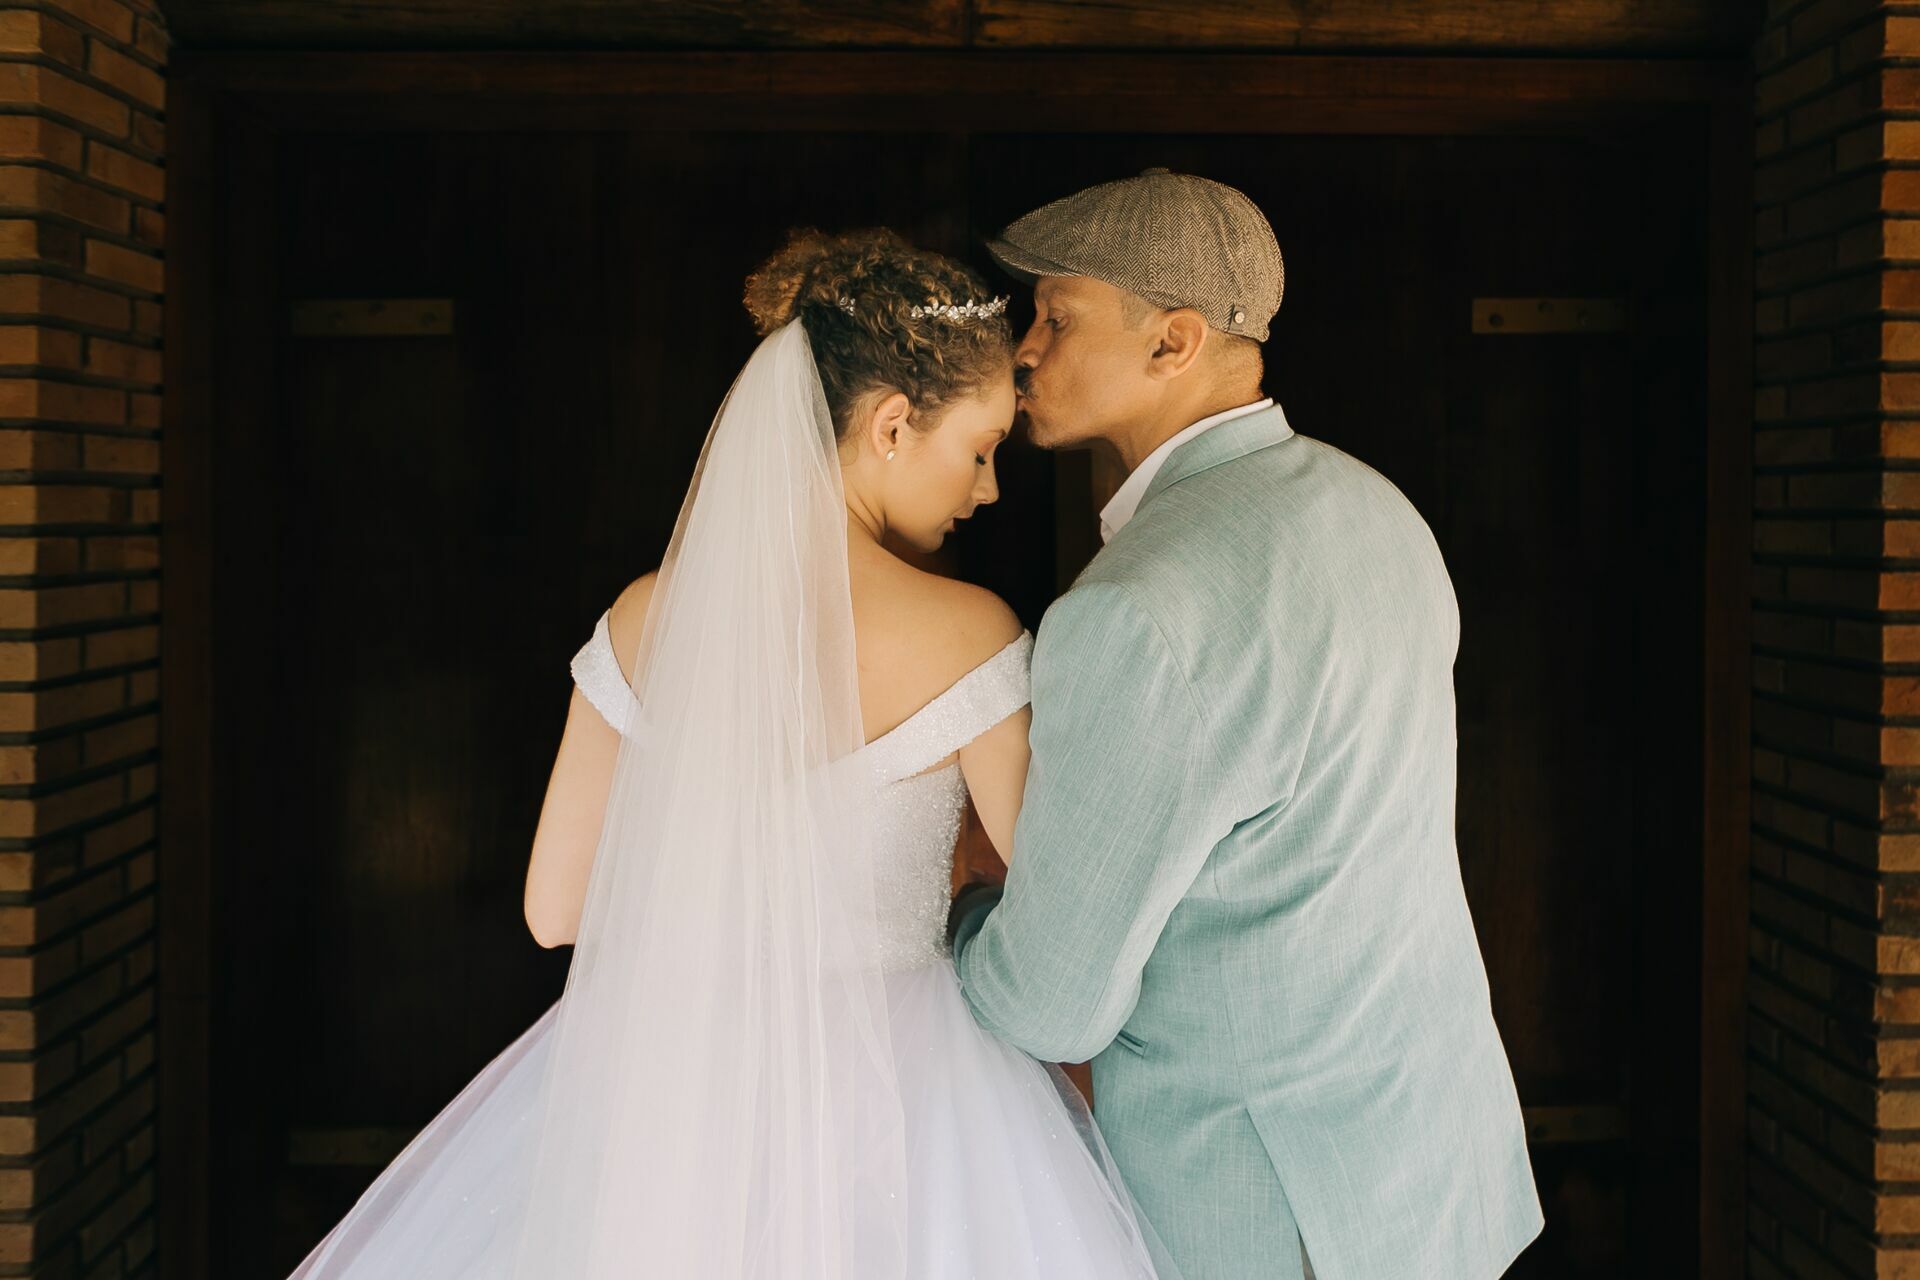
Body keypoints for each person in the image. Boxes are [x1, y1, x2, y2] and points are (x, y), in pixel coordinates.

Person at [286, 228, 1174, 1279]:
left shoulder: (641, 619)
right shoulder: (969, 631)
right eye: (979, 450)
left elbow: (555, 911)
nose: (985, 491)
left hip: (671, 1082)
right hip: (906, 1088)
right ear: (893, 426)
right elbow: (1059, 907)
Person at [949, 168, 1546, 1280]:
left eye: (1057, 317)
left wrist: (965, 897)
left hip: (1271, 1212)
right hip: (1436, 1168)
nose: (1022, 349)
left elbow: (1051, 1003)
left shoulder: (1134, 611)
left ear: (1173, 341)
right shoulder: (1382, 510)